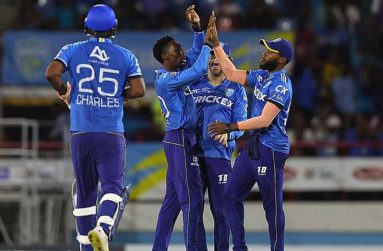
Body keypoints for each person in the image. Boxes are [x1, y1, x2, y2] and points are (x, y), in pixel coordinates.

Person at [45, 4, 146, 251]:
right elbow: (139, 90)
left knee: (84, 192)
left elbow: (51, 74)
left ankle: (86, 247)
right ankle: (103, 228)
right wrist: (118, 95)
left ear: (86, 26)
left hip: (81, 133)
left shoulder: (72, 49)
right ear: (115, 28)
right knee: (113, 186)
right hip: (111, 132)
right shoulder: (126, 56)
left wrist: (64, 92)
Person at [207, 15, 294, 251]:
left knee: (271, 206)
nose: (264, 53)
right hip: (254, 147)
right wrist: (216, 44)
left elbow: (265, 120)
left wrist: (231, 127)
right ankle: (240, 248)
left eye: (270, 52)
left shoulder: (281, 84)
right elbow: (232, 73)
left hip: (271, 149)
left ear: (281, 59)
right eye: (265, 49)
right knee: (230, 197)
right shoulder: (263, 76)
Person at [151, 8, 215, 251]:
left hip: (183, 137)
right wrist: (209, 44)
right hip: (179, 138)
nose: (182, 51)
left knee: (172, 201)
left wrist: (197, 29)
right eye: (177, 50)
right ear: (166, 58)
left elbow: (196, 53)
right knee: (191, 198)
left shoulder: (176, 68)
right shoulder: (165, 79)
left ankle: (159, 248)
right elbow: (200, 69)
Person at [191, 43, 247, 251]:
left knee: (221, 213)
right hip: (194, 156)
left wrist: (230, 133)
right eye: (212, 56)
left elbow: (241, 125)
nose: (215, 60)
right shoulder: (194, 85)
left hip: (219, 157)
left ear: (228, 61)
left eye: (220, 57)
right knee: (194, 212)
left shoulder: (236, 90)